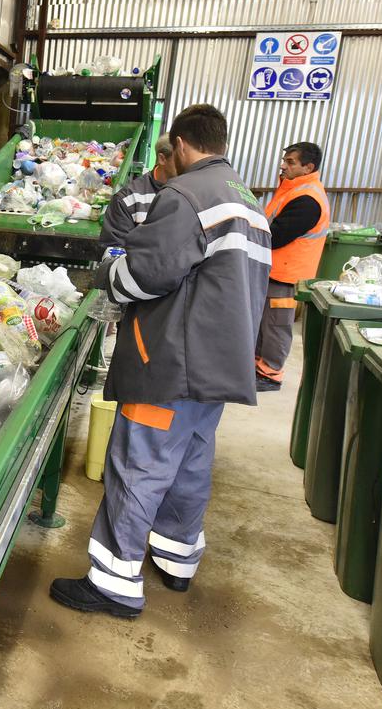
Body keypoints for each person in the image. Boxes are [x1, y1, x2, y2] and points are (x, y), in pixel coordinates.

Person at [50, 104, 272, 618]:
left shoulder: (186, 196)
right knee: (190, 464)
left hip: (174, 362)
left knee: (139, 466)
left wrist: (107, 276)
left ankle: (113, 585)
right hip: (221, 365)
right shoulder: (248, 200)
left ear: (181, 146)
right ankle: (176, 559)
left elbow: (145, 275)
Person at [254, 142, 330, 392]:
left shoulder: (308, 198)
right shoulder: (291, 189)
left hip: (287, 274)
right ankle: (258, 366)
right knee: (265, 322)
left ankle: (270, 373)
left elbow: (277, 234)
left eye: (290, 162)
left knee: (276, 325)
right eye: (284, 160)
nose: (284, 166)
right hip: (275, 270)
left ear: (308, 167)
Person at [98, 134, 174, 248]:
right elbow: (113, 251)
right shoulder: (128, 199)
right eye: (180, 157)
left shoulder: (192, 192)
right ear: (162, 159)